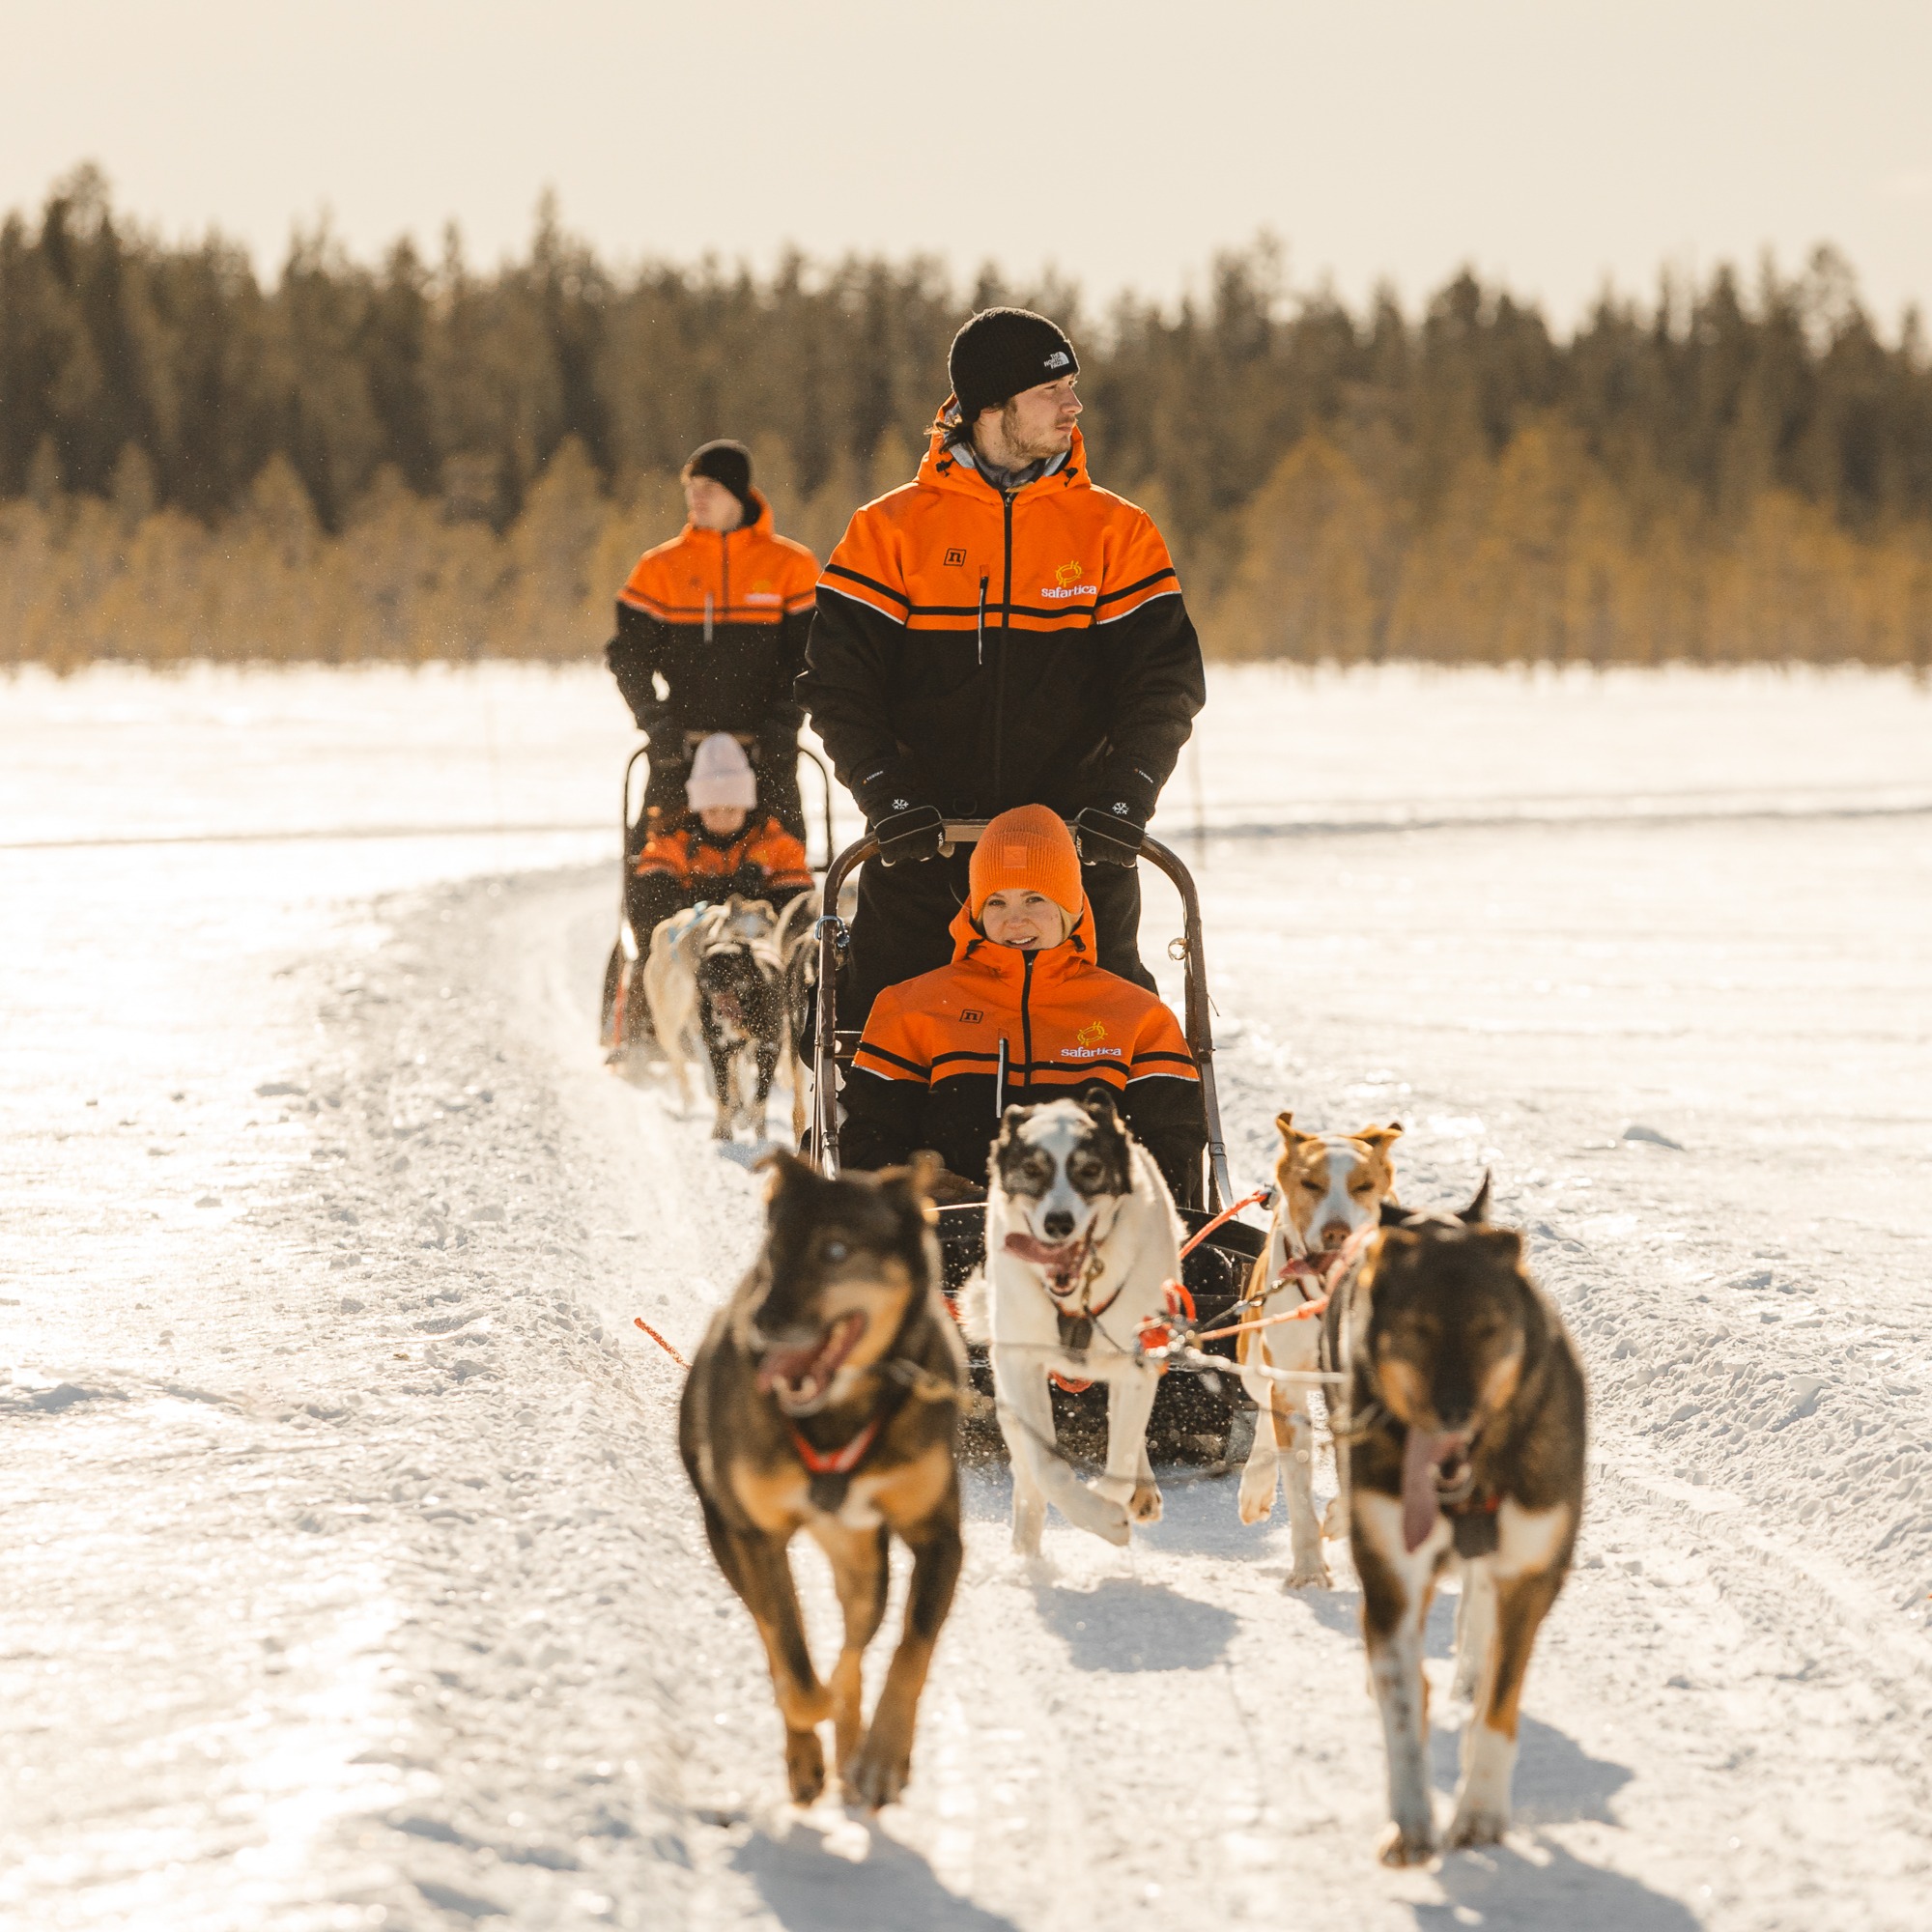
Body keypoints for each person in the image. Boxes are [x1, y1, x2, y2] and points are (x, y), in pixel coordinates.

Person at [798, 307, 1207, 1028]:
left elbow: (1164, 686)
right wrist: (886, 792)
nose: (1074, 406)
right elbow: (839, 686)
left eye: (1072, 387)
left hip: (1077, 851)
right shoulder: (888, 531)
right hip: (922, 848)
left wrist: (1126, 797)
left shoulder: (1118, 531)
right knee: (874, 1039)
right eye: (1054, 391)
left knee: (1125, 1044)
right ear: (992, 405)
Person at [839, 807, 1205, 1204]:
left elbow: (1173, 1142)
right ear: (976, 911)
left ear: (1070, 906)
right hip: (955, 1222)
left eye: (1034, 899)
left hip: (1095, 1226)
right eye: (996, 902)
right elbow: (869, 1135)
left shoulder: (1139, 1016)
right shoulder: (911, 1007)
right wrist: (916, 1183)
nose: (1015, 921)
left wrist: (1113, 1196)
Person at [607, 440, 819, 839]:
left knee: (783, 867)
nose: (696, 497)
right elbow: (627, 657)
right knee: (656, 863)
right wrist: (655, 722)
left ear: (737, 493)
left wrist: (785, 721)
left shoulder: (791, 564)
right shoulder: (659, 567)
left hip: (768, 746)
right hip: (679, 747)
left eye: (709, 488)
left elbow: (810, 657)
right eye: (691, 487)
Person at [627, 733, 813, 948]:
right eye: (712, 810)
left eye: (731, 809)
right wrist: (699, 896)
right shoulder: (673, 844)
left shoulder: (777, 844)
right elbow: (650, 909)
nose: (722, 818)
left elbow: (798, 911)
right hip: (692, 947)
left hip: (758, 948)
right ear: (698, 810)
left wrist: (760, 896)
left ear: (747, 806)